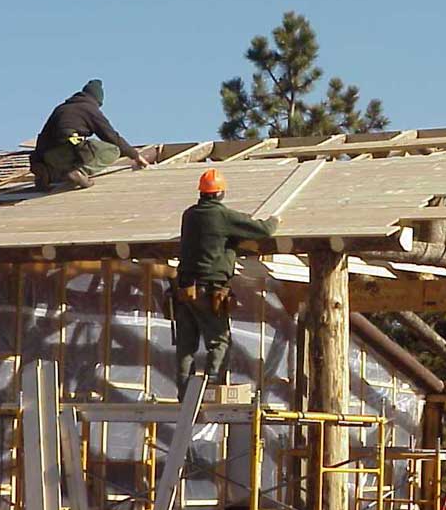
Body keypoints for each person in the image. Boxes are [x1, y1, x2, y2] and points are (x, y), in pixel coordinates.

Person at [174, 168, 279, 401]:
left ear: (201, 192)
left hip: (184, 289)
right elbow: (264, 230)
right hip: (209, 289)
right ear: (221, 193)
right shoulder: (223, 216)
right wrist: (275, 220)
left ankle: (185, 394)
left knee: (186, 346)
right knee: (219, 341)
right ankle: (211, 389)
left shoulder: (189, 215)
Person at [30, 79, 149, 190]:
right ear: (97, 100)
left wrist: (37, 161)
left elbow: (43, 136)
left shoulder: (61, 109)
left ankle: (48, 173)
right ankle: (79, 172)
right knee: (112, 150)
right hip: (69, 147)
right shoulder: (89, 109)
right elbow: (111, 136)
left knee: (72, 150)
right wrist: (135, 156)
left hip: (49, 156)